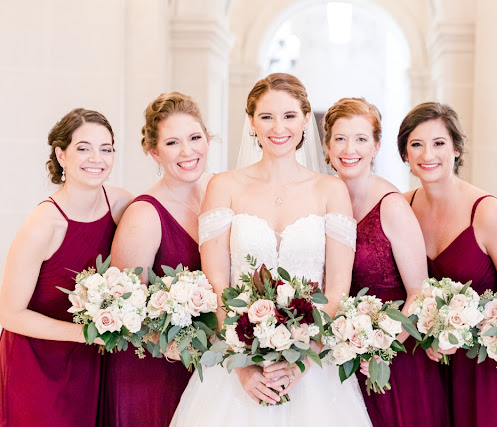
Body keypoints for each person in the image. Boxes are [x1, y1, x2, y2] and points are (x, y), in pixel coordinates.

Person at [171, 73, 371, 426]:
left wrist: (304, 359)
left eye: (290, 116)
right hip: (236, 363)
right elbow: (215, 281)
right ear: (251, 121)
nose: (278, 127)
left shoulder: (331, 190)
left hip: (315, 366)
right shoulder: (224, 186)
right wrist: (242, 365)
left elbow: (338, 286)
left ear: (307, 119)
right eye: (266, 117)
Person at [398, 102, 497, 426]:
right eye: (416, 144)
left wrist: (462, 332)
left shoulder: (487, 212)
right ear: (405, 154)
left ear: (457, 149)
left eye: (439, 143)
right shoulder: (402, 208)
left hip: (490, 369)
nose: (427, 154)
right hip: (432, 367)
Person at [0, 108, 132, 426]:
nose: (96, 159)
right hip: (38, 364)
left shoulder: (122, 204)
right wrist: (87, 334)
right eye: (83, 148)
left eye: (106, 149)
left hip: (91, 361)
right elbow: (9, 313)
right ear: (61, 155)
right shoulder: (43, 224)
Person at [323, 97, 449, 426]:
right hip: (338, 355)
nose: (350, 149)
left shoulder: (391, 206)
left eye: (361, 139)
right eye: (340, 138)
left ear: (377, 146)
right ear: (327, 145)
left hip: (394, 360)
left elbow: (419, 292)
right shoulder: (318, 199)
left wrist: (383, 347)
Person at [102, 92, 212, 427]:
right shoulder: (145, 215)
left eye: (194, 138)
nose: (187, 151)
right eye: (172, 143)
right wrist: (179, 345)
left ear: (208, 139)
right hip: (153, 374)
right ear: (154, 152)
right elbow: (125, 309)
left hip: (205, 370)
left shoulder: (217, 194)